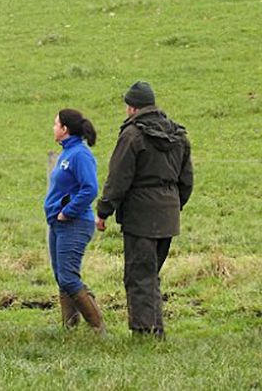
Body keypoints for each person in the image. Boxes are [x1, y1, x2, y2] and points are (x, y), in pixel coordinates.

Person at [95, 81, 193, 339]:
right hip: (168, 215)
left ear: (131, 107)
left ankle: (146, 332)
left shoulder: (132, 135)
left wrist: (104, 210)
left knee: (139, 275)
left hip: (140, 214)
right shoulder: (179, 135)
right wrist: (173, 205)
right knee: (151, 273)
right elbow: (187, 181)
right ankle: (155, 329)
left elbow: (118, 178)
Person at [44, 109, 105, 334]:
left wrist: (68, 212)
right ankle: (69, 328)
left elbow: (90, 188)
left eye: (55, 124)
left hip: (74, 223)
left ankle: (98, 327)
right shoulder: (67, 153)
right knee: (62, 277)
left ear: (65, 129)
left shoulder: (80, 155)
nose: (53, 128)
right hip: (58, 224)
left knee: (69, 277)